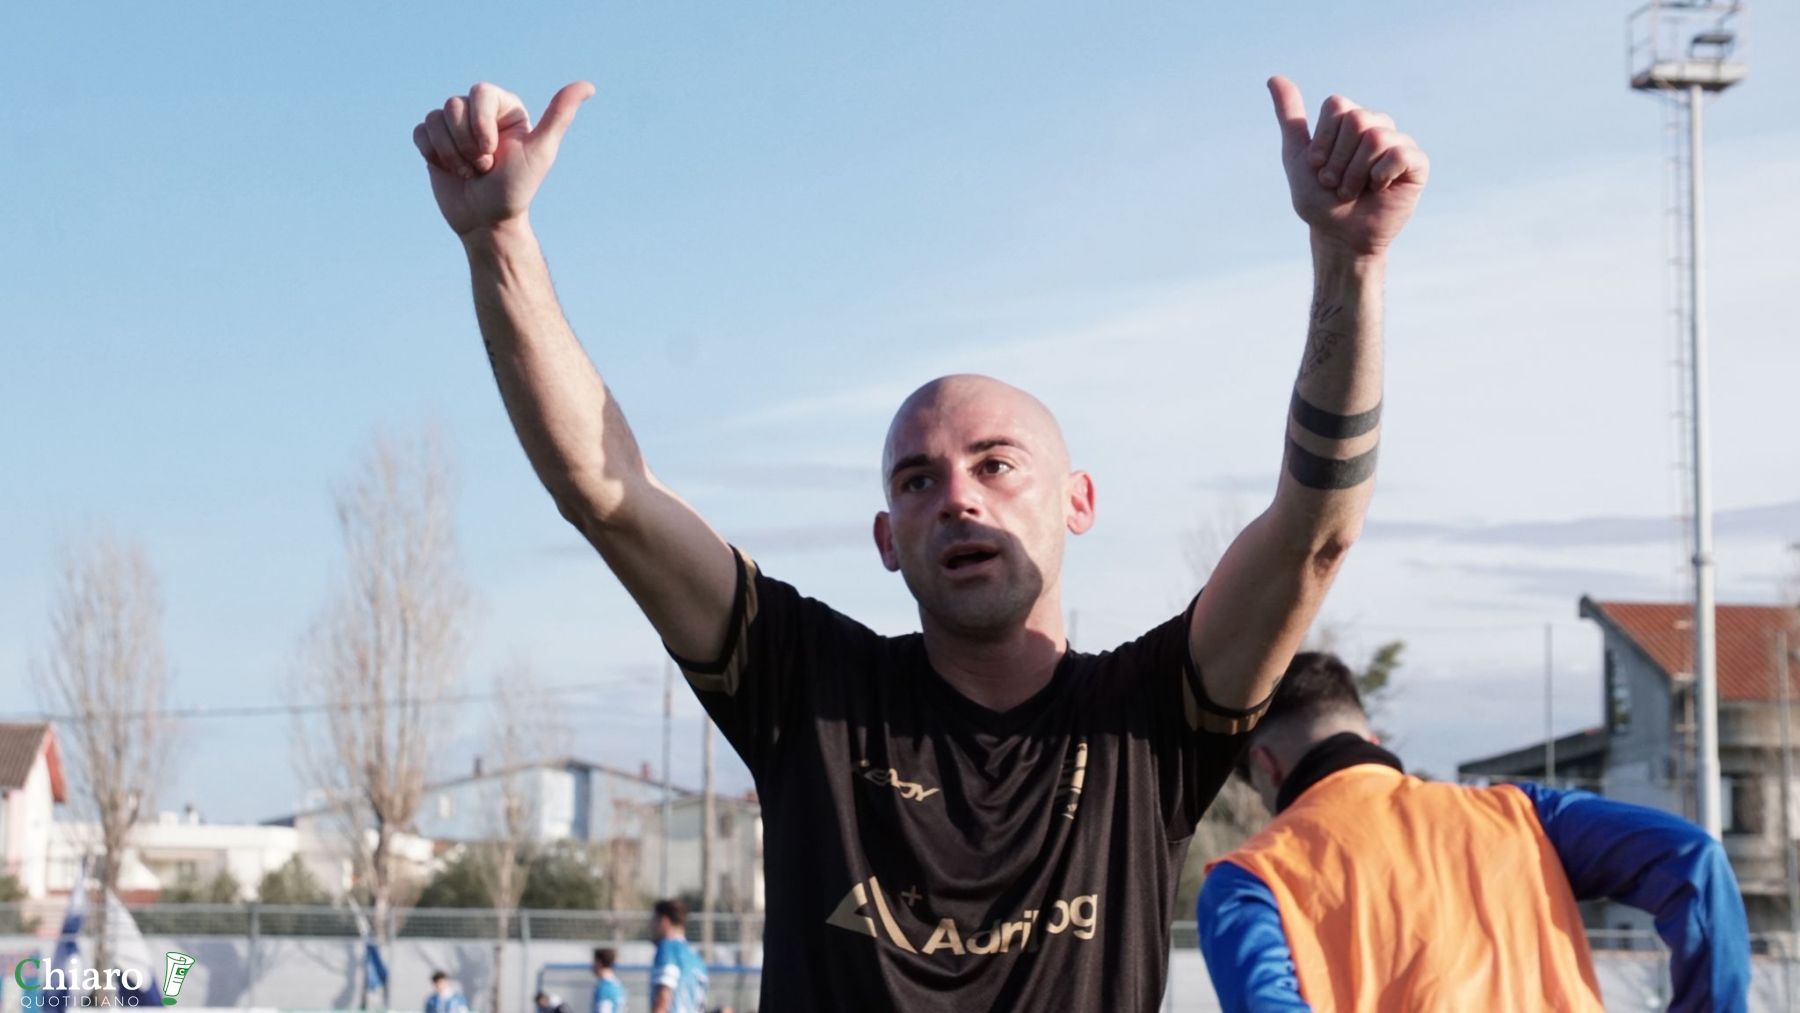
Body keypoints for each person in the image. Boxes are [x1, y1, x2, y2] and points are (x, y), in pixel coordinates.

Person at [412, 72, 1426, 1009]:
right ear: (887, 539)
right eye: (917, 480)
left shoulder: (1147, 721)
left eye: (996, 464)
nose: (957, 499)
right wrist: (498, 239)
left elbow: (1313, 534)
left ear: (1077, 500)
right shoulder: (808, 689)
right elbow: (609, 493)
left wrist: (1350, 263)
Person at [1197, 652, 1752, 1012]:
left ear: (1266, 766)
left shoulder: (1251, 880)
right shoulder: (1521, 816)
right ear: (1370, 736)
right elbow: (1693, 859)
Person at [648, 900, 708, 1013]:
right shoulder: (697, 959)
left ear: (664, 922)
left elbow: (663, 997)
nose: (651, 926)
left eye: (653, 921)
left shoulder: (667, 948)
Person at [590, 946, 627, 1013]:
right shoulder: (618, 985)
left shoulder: (604, 987)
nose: (592, 966)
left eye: (594, 962)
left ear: (599, 963)